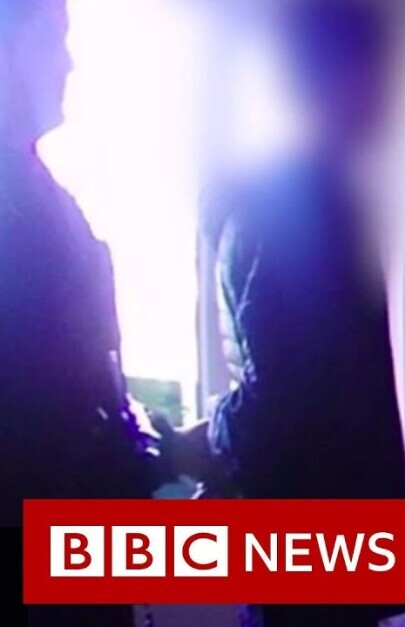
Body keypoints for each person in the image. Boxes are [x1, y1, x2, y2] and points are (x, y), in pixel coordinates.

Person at [204, 2, 405, 625]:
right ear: (341, 79)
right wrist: (215, 434)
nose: (392, 96)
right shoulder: (307, 205)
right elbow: (282, 394)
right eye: (383, 73)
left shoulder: (303, 195)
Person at [0, 1, 206, 624]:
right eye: (53, 40)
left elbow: (84, 368)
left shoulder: (39, 189)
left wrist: (149, 447)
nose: (68, 62)